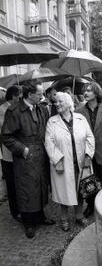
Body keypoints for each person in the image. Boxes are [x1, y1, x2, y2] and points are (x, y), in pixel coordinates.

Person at [1, 82, 54, 239]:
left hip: (41, 154)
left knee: (41, 186)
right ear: (29, 95)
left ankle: (40, 216)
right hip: (25, 157)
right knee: (27, 189)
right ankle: (28, 222)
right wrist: (22, 150)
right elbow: (5, 136)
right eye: (39, 94)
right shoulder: (14, 110)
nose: (42, 96)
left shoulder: (42, 108)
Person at [45, 92, 95, 231]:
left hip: (80, 162)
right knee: (64, 192)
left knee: (80, 191)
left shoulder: (80, 118)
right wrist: (57, 160)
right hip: (64, 163)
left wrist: (88, 156)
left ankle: (79, 216)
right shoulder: (52, 121)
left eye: (60, 102)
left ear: (68, 103)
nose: (57, 104)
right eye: (56, 102)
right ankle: (64, 218)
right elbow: (49, 143)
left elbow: (90, 138)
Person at [76, 82, 102, 217]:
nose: (85, 93)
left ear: (96, 93)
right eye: (84, 91)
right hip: (86, 153)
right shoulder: (78, 111)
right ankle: (90, 206)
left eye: (89, 91)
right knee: (88, 182)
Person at [0, 85, 22, 222]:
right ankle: (15, 211)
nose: (20, 98)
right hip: (8, 152)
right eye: (19, 95)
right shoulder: (2, 109)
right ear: (13, 96)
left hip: (20, 151)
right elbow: (4, 130)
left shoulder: (19, 107)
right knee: (11, 183)